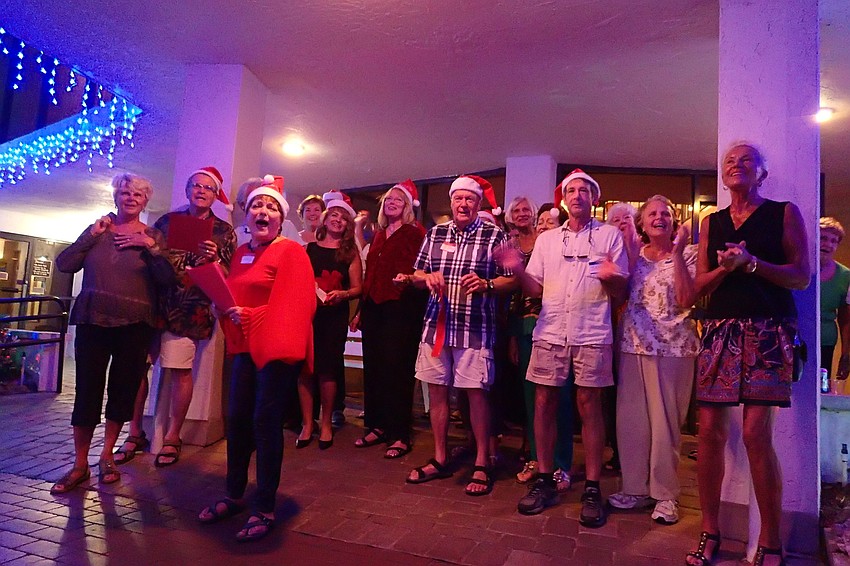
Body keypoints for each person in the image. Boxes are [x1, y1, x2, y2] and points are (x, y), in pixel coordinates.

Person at [685, 142, 809, 566]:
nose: (737, 166)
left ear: (762, 173)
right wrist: (726, 267)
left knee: (756, 434)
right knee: (708, 434)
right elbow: (698, 286)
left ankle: (772, 542)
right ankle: (710, 531)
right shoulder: (711, 221)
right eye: (729, 162)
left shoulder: (783, 212)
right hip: (720, 331)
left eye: (746, 161)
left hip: (769, 332)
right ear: (723, 175)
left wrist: (752, 263)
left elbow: (801, 277)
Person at [499, 169, 628, 525]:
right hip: (551, 329)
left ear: (594, 198)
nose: (577, 195)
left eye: (584, 190)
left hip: (592, 331)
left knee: (589, 405)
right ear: (563, 199)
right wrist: (515, 269)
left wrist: (612, 277)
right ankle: (544, 478)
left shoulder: (610, 235)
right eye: (571, 190)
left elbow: (622, 292)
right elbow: (534, 289)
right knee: (543, 401)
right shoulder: (547, 240)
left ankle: (591, 487)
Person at [197, 179, 315, 542]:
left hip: (276, 350)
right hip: (245, 348)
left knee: (265, 423)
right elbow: (236, 293)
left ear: (281, 218)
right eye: (256, 207)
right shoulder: (242, 252)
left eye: (271, 208)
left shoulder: (292, 252)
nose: (263, 212)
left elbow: (298, 304)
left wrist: (249, 316)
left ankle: (264, 506)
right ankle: (234, 494)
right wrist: (222, 303)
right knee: (237, 419)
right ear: (247, 215)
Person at [52, 173, 167, 494]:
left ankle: (106, 458)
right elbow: (64, 264)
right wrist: (90, 235)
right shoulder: (98, 230)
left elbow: (169, 280)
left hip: (135, 324)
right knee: (86, 390)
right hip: (93, 320)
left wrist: (151, 247)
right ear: (116, 196)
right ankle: (79, 464)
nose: (131, 198)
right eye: (126, 193)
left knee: (122, 391)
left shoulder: (153, 235)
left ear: (146, 202)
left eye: (138, 195)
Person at [114, 166, 236, 468]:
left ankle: (173, 436)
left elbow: (229, 276)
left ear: (215, 194)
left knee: (180, 370)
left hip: (190, 309)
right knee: (138, 368)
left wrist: (215, 259)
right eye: (196, 185)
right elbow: (145, 260)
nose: (201, 190)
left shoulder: (224, 231)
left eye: (208, 187)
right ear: (187, 189)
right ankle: (135, 432)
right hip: (152, 305)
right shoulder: (165, 222)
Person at [404, 174, 515, 496]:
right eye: (458, 199)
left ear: (478, 203)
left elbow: (514, 279)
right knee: (437, 393)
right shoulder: (436, 233)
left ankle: (482, 461)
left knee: (476, 395)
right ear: (451, 203)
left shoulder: (496, 235)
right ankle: (440, 456)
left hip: (475, 329)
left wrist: (488, 284)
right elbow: (416, 274)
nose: (463, 204)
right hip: (435, 327)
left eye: (470, 199)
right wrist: (427, 277)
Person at [607, 195, 698, 525]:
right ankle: (635, 489)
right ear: (642, 224)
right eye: (652, 214)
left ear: (673, 221)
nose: (659, 218)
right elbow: (620, 293)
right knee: (631, 422)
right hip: (632, 345)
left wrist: (676, 251)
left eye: (665, 213)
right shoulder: (634, 256)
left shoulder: (688, 254)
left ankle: (666, 496)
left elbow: (689, 297)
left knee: (666, 426)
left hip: (674, 348)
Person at [349, 180, 427, 458]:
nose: (392, 203)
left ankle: (399, 434)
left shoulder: (415, 232)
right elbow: (370, 275)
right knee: (375, 368)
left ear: (408, 207)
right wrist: (361, 310)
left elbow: (422, 271)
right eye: (389, 200)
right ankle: (377, 425)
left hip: (401, 310)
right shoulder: (380, 234)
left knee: (397, 370)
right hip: (375, 308)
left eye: (398, 200)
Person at [511, 201, 573, 493]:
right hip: (526, 327)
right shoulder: (531, 253)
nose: (545, 226)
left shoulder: (563, 251)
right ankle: (537, 459)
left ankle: (561, 463)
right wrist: (513, 335)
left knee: (558, 400)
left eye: (551, 222)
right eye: (542, 222)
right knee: (531, 398)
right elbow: (519, 296)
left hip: (558, 329)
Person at [297, 192, 362, 449]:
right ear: (324, 220)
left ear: (348, 226)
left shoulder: (350, 253)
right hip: (307, 316)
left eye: (343, 218)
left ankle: (325, 423)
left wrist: (343, 294)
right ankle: (306, 423)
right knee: (304, 369)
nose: (337, 220)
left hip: (334, 316)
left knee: (328, 370)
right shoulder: (307, 250)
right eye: (333, 215)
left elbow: (358, 288)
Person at [819, 217, 850, 382]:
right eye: (823, 238)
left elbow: (846, 318)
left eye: (834, 241)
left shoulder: (845, 275)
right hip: (796, 338)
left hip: (826, 341)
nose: (828, 245)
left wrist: (846, 353)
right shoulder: (801, 268)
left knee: (821, 388)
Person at [234, 176, 302, 247]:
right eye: (256, 205)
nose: (263, 211)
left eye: (271, 208)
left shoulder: (287, 228)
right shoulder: (237, 237)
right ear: (243, 206)